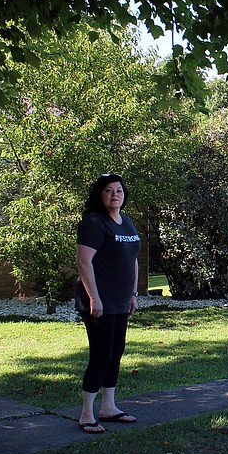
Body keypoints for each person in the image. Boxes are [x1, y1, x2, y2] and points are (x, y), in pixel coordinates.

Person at [75, 174, 141, 433]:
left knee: (116, 353)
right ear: (100, 195)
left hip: (120, 300)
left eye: (119, 191)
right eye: (108, 191)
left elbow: (133, 258)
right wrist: (94, 297)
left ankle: (109, 408)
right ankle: (86, 414)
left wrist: (133, 293)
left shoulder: (127, 222)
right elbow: (84, 262)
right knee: (101, 355)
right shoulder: (93, 223)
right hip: (98, 301)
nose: (115, 195)